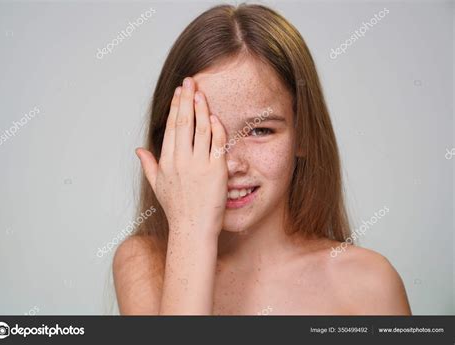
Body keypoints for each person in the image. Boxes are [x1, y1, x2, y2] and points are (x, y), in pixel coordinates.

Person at [113, 3, 411, 315]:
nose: (229, 164)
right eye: (203, 133)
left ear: (303, 134)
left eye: (259, 130)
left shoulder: (369, 284)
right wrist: (189, 226)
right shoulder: (143, 264)